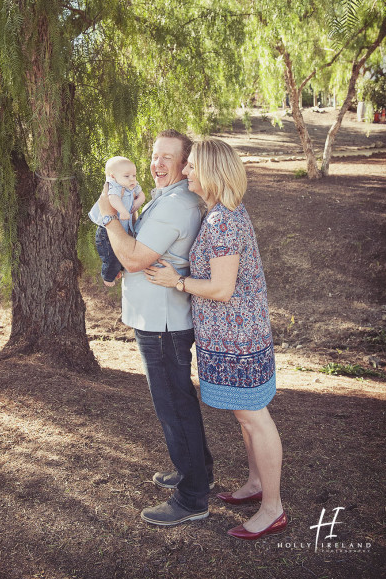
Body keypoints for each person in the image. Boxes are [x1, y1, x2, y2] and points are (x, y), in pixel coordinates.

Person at [144, 138, 287, 540]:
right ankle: (257, 484)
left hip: (237, 339)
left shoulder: (223, 220)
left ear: (210, 171)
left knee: (254, 418)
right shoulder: (222, 213)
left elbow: (223, 289)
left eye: (191, 167)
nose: (185, 172)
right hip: (232, 336)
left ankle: (273, 509)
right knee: (246, 418)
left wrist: (178, 281)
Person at [97, 130, 214, 526]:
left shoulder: (175, 205)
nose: (157, 164)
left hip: (163, 324)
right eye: (154, 155)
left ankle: (192, 497)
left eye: (168, 158)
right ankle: (198, 474)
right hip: (159, 317)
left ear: (185, 164)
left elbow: (132, 259)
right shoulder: (165, 198)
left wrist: (108, 217)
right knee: (178, 403)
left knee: (174, 407)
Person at [89, 156, 145, 287]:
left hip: (121, 227)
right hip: (106, 231)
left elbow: (142, 195)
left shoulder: (132, 184)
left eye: (134, 175)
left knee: (120, 254)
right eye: (127, 176)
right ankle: (107, 277)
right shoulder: (113, 186)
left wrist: (137, 202)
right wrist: (123, 211)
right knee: (111, 256)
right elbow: (113, 199)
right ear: (113, 176)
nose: (132, 179)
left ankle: (116, 271)